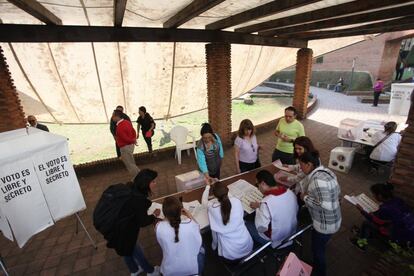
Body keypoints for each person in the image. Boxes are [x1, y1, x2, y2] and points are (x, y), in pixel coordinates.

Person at [105, 169, 160, 276]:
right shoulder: (139, 199)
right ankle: (150, 271)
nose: (155, 183)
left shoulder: (131, 187)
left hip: (112, 224)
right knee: (133, 247)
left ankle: (134, 270)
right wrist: (154, 216)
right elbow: (143, 222)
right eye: (153, 181)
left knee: (125, 248)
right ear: (145, 183)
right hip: (120, 227)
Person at [298, 151, 341, 276]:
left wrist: (305, 198)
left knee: (318, 251)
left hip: (325, 226)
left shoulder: (317, 181)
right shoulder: (328, 172)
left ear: (309, 164)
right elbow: (338, 195)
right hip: (335, 220)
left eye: (301, 165)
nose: (300, 168)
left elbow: (325, 205)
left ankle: (319, 272)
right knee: (319, 247)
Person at [351, 183, 414, 250]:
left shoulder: (385, 209)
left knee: (366, 223)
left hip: (399, 237)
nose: (373, 196)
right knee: (373, 219)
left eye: (374, 194)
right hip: (409, 231)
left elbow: (376, 221)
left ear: (380, 196)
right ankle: (367, 234)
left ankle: (361, 243)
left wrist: (362, 211)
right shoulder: (398, 200)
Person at [201, 181, 253, 261]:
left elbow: (204, 202)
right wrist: (219, 184)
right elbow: (229, 197)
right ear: (227, 191)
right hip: (246, 245)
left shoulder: (213, 208)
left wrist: (207, 186)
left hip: (230, 253)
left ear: (214, 196)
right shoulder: (236, 201)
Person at [246, 170, 298, 249]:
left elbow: (261, 228)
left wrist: (259, 209)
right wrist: (261, 206)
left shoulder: (266, 203)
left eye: (257, 185)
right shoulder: (289, 192)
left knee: (245, 223)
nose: (258, 188)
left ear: (263, 184)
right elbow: (280, 205)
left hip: (276, 240)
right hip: (291, 234)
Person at [156, 196, 204, 276]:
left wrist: (166, 216)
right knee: (202, 247)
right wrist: (189, 214)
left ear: (164, 213)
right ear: (180, 211)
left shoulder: (158, 227)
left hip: (169, 270)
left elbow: (164, 223)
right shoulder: (190, 224)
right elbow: (197, 227)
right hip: (190, 268)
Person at [112, 110, 139, 179]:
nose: (112, 117)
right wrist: (134, 139)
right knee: (131, 162)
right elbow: (133, 131)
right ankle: (137, 176)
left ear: (117, 117)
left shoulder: (119, 127)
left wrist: (133, 140)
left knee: (129, 164)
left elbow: (124, 138)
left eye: (113, 116)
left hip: (125, 147)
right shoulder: (127, 122)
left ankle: (138, 177)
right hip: (130, 146)